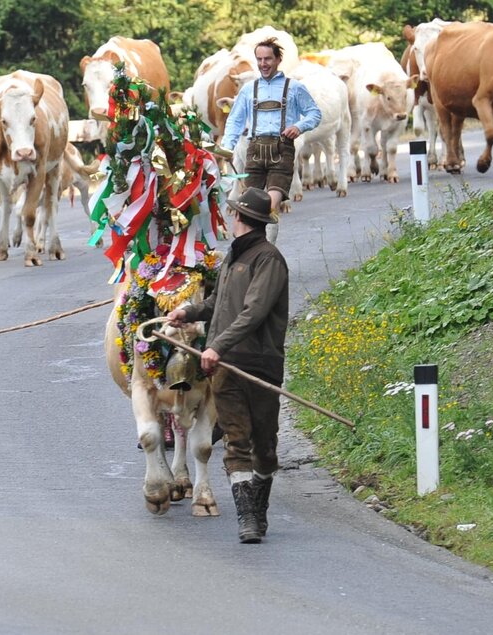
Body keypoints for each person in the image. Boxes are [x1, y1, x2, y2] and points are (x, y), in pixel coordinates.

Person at [166, 188, 289, 544]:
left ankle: (259, 508)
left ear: (238, 217)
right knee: (236, 440)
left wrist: (216, 345)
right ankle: (247, 518)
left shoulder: (268, 260)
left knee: (264, 445)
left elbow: (254, 311)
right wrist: (187, 312)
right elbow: (218, 303)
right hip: (225, 366)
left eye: (232, 212)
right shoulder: (233, 257)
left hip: (259, 364)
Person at [221, 37, 322, 243]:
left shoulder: (294, 87)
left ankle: (267, 249)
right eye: (259, 59)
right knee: (247, 207)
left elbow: (314, 113)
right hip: (254, 150)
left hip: (281, 150)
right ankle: (251, 248)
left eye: (268, 59)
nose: (263, 64)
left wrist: (298, 126)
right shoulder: (249, 89)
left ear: (277, 60)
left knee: (269, 205)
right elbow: (235, 121)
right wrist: (226, 148)